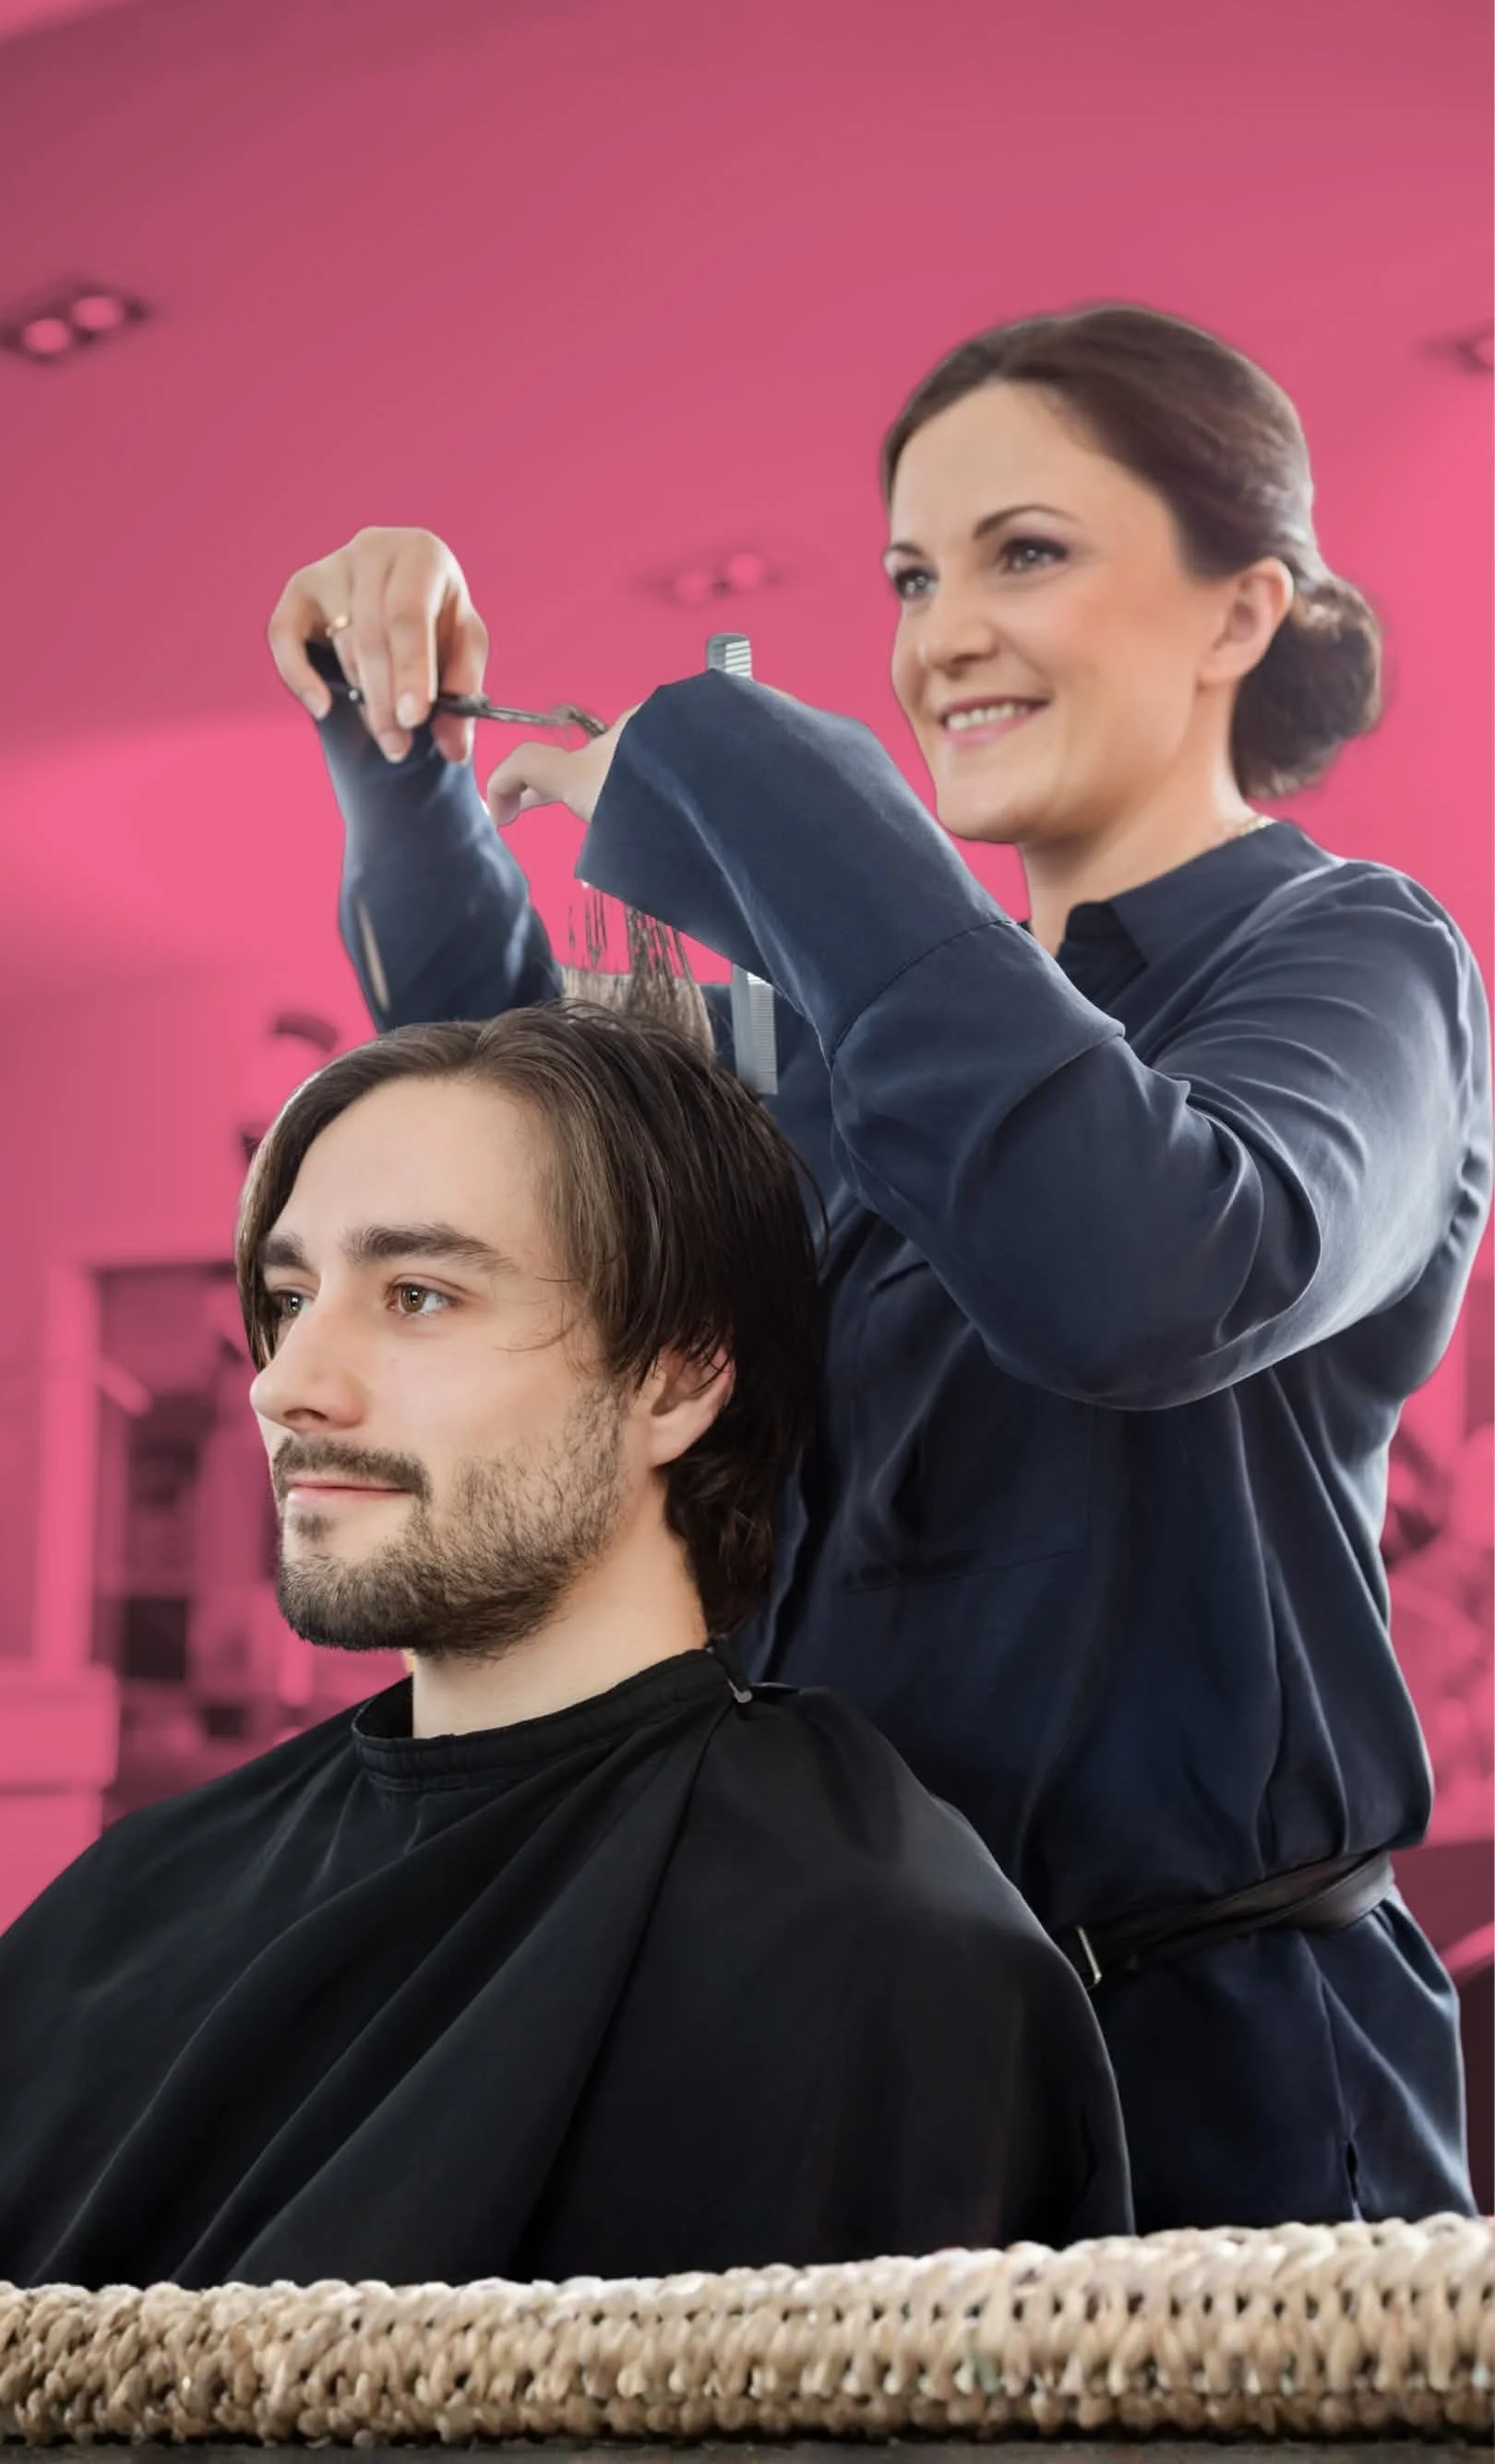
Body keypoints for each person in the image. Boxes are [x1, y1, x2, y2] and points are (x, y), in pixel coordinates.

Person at [268, 304, 1491, 2231]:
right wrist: (399, 759)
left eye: (1029, 553)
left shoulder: (1357, 969)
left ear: (1241, 612)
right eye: (917, 574)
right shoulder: (861, 1064)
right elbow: (531, 1181)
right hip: (851, 2090)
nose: (941, 636)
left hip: (1219, 2110)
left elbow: (1129, 1267)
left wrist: (746, 779)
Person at [0, 1004, 1131, 2289]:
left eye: (419, 1295)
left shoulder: (891, 1969)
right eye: (289, 1297)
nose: (284, 1383)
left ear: (674, 1380)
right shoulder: (131, 1905)